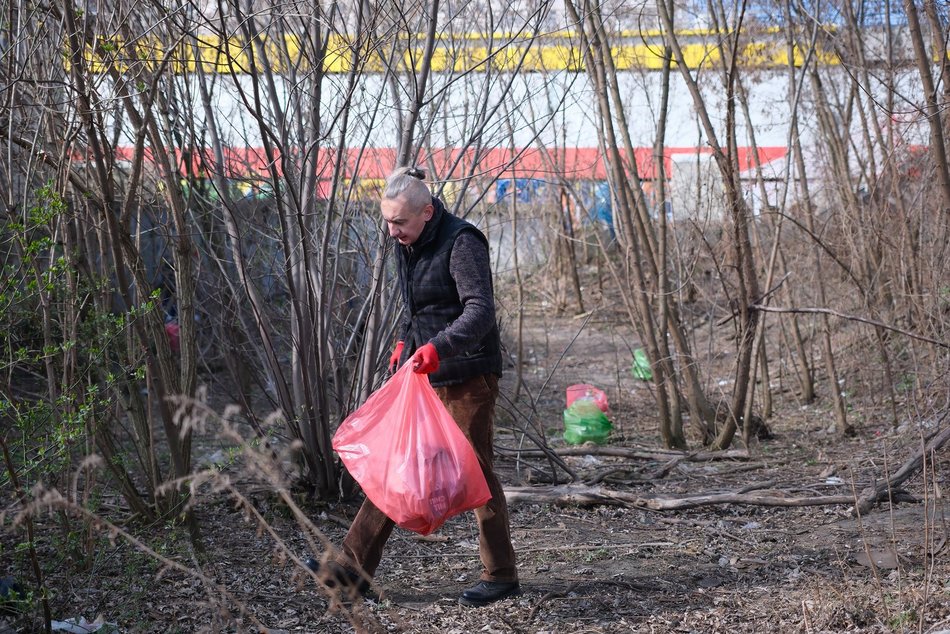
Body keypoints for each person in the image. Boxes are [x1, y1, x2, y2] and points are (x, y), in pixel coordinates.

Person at [309, 166, 519, 607]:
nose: (391, 231)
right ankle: (352, 568)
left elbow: (479, 312)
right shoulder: (410, 242)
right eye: (387, 221)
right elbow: (420, 306)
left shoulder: (462, 242)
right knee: (397, 467)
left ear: (427, 212)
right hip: (425, 375)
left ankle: (501, 575)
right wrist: (406, 341)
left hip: (469, 377)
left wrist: (438, 347)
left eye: (399, 222)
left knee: (477, 474)